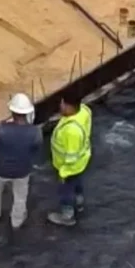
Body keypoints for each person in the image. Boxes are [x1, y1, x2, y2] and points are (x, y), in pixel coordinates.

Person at [0, 92, 40, 229]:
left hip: (0, 168)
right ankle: (17, 220)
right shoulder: (35, 132)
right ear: (27, 113)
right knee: (20, 196)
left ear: (12, 111)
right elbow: (36, 146)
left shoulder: (1, 129)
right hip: (22, 171)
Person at [44, 94, 93, 226]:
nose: (60, 106)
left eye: (62, 104)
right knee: (77, 184)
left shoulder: (71, 131)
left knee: (66, 191)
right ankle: (79, 203)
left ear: (69, 106)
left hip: (69, 168)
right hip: (81, 163)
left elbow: (70, 157)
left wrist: (63, 173)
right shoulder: (84, 111)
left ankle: (67, 216)